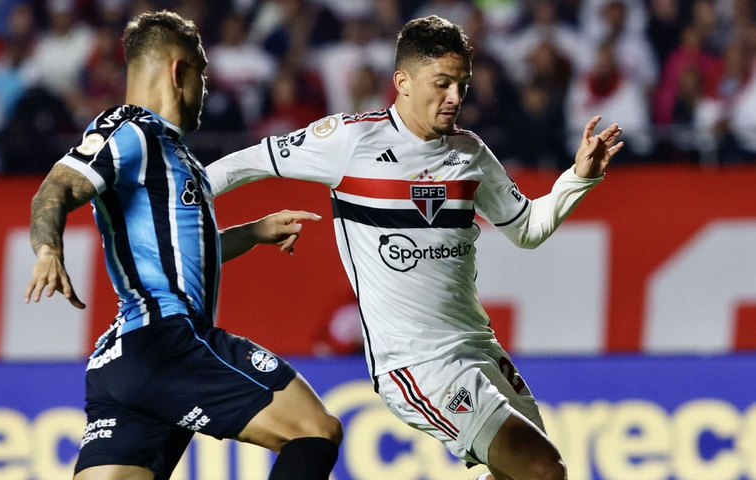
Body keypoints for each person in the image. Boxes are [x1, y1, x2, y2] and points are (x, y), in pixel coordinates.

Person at [208, 15, 623, 480]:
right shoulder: (351, 140)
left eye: (462, 85)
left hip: (479, 348)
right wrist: (178, 203)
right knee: (541, 469)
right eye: (442, 83)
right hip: (416, 363)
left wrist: (579, 178)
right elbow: (245, 164)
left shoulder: (469, 152)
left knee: (528, 474)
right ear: (402, 82)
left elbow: (526, 228)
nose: (454, 98)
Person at [24, 10, 341, 480]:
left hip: (126, 361)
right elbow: (56, 187)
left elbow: (178, 250)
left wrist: (252, 234)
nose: (207, 89)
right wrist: (48, 249)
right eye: (203, 74)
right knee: (314, 430)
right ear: (179, 71)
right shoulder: (129, 129)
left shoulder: (174, 153)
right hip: (168, 339)